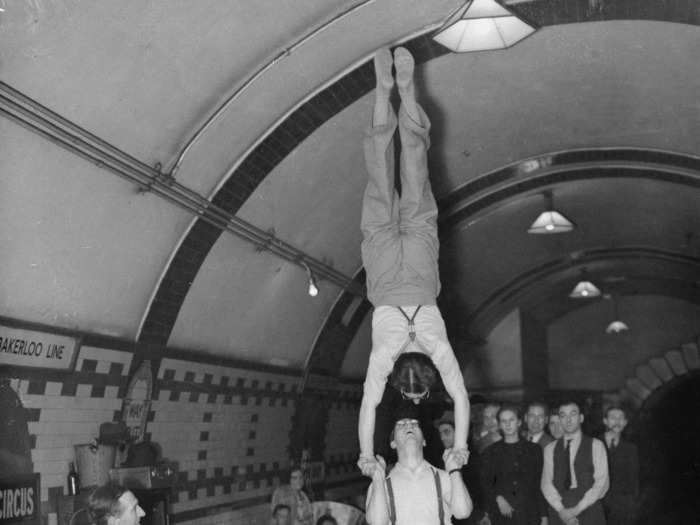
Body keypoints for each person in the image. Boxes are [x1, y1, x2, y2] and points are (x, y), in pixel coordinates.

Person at [357, 46, 469, 475]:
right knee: (380, 179)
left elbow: (459, 397)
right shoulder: (382, 357)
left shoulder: (438, 348)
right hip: (385, 282)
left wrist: (459, 445)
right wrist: (367, 454)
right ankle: (383, 94)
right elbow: (368, 406)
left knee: (416, 176)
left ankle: (406, 91)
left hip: (421, 280)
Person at [365, 411, 473, 525]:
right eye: (401, 424)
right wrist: (377, 478)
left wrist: (454, 470)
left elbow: (462, 512)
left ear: (424, 441)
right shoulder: (382, 483)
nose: (409, 425)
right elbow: (377, 522)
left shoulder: (443, 476)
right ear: (393, 443)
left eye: (415, 424)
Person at [541, 401, 609, 525]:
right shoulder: (549, 449)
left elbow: (602, 484)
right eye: (563, 415)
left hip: (589, 510)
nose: (568, 419)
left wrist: (575, 510)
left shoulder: (596, 445)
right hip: (559, 513)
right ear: (560, 420)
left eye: (573, 414)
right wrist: (562, 511)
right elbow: (546, 484)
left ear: (581, 418)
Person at [480, 405, 548, 525]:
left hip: (529, 514)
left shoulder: (534, 450)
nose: (508, 424)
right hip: (501, 514)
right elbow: (486, 482)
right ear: (499, 425)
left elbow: (538, 485)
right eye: (504, 421)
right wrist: (498, 498)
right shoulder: (490, 452)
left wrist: (544, 517)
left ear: (519, 422)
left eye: (511, 420)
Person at [436, 411, 487, 525]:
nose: (442, 437)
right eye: (440, 433)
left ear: (459, 432)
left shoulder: (473, 459)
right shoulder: (443, 459)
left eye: (446, 432)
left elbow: (481, 491)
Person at [601, 406, 638, 525]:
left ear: (625, 422)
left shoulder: (631, 449)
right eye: (613, 418)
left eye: (620, 418)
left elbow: (633, 481)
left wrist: (631, 508)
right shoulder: (593, 444)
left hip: (621, 509)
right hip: (596, 506)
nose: (617, 422)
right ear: (605, 421)